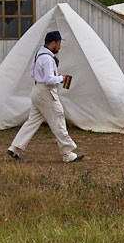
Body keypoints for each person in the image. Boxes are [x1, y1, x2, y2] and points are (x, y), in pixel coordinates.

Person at [7, 29, 82, 163]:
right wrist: (61, 78)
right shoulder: (47, 59)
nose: (60, 46)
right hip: (46, 92)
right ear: (53, 43)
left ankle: (14, 147)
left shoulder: (38, 54)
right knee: (58, 119)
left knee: (32, 122)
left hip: (37, 90)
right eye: (59, 43)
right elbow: (48, 79)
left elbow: (32, 72)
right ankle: (67, 153)